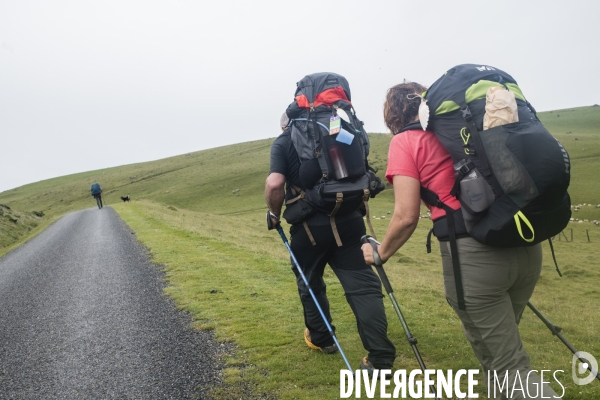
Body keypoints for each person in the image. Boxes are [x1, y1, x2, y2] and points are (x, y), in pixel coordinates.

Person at [361, 82, 559, 398]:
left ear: (393, 117)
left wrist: (380, 254)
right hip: (524, 244)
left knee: (509, 365)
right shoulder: (469, 128)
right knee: (499, 358)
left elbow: (406, 215)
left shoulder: (406, 141)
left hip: (474, 257)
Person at [265, 109, 396, 372]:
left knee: (310, 281)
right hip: (350, 222)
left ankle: (322, 339)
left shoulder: (285, 140)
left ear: (285, 125)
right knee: (362, 286)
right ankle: (380, 357)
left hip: (310, 229)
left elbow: (275, 183)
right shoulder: (340, 131)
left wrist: (273, 213)